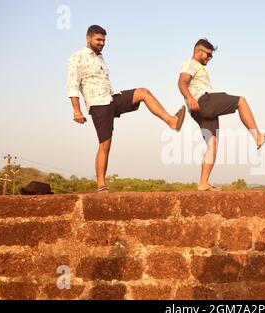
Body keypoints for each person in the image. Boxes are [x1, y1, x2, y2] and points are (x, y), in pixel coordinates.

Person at [67, 25, 185, 193]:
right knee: (105, 146)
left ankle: (172, 121)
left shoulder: (100, 58)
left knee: (143, 92)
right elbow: (72, 85)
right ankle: (101, 185)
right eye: (98, 40)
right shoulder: (77, 57)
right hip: (98, 105)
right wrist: (76, 111)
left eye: (104, 40)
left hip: (111, 98)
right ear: (88, 38)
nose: (102, 43)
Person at [178, 38, 265, 191]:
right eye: (208, 55)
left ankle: (203, 182)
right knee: (241, 101)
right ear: (199, 51)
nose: (210, 58)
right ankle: (258, 137)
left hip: (198, 110)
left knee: (213, 143)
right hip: (203, 101)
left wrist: (191, 100)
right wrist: (190, 98)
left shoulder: (199, 67)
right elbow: (181, 82)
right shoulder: (191, 64)